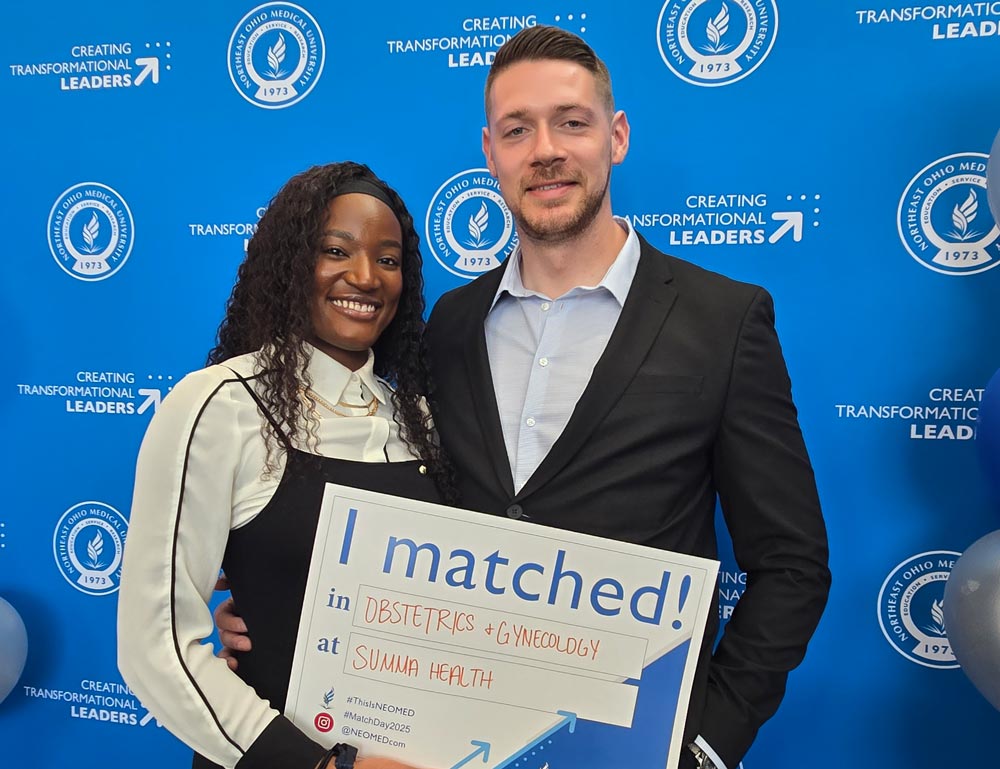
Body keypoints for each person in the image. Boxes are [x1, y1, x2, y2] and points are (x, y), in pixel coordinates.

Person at [219, 26, 831, 769]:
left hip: (622, 748)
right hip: (445, 739)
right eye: (517, 130)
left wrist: (706, 744)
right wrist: (277, 606)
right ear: (491, 152)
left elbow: (792, 563)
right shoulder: (447, 325)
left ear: (616, 137)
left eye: (571, 122)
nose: (545, 150)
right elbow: (386, 505)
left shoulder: (725, 320)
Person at [118, 161, 452, 769]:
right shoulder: (221, 406)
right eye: (335, 250)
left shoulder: (420, 420)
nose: (365, 277)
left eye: (388, 259)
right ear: (291, 263)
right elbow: (155, 645)